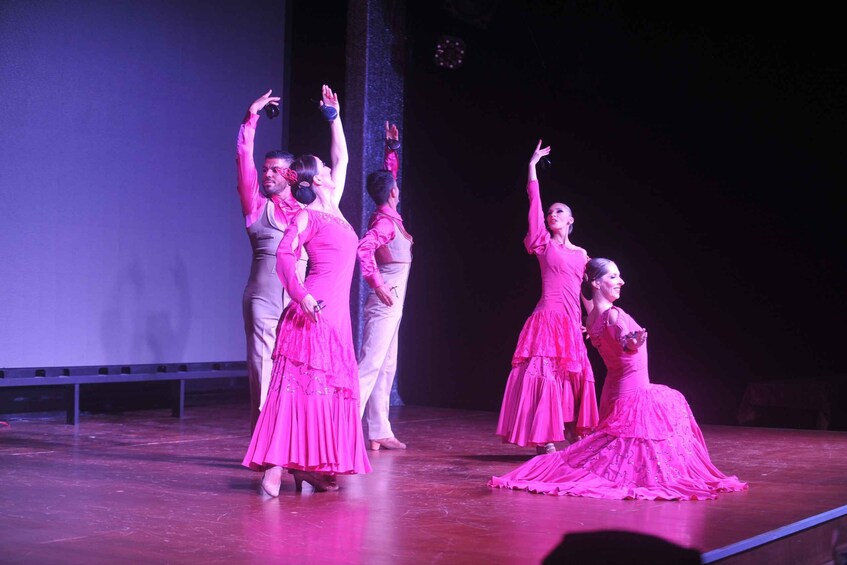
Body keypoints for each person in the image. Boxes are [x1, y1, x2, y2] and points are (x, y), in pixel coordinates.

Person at [489, 258, 748, 500]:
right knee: (674, 404)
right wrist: (631, 342)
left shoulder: (592, 319)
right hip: (634, 395)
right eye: (614, 276)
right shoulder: (613, 315)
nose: (621, 281)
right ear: (596, 283)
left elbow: (595, 310)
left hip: (613, 395)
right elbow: (625, 340)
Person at [243, 85, 372, 496]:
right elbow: (284, 258)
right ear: (318, 180)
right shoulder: (309, 216)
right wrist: (301, 296)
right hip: (312, 310)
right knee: (294, 390)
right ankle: (275, 468)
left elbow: (344, 157)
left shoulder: (337, 213)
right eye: (327, 171)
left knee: (322, 391)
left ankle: (309, 464)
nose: (335, 173)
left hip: (335, 317)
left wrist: (334, 119)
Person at [495, 140, 599, 455]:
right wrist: (531, 167)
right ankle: (545, 438)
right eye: (551, 212)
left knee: (572, 378)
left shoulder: (582, 255)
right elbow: (534, 205)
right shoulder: (544, 244)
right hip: (547, 319)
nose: (553, 214)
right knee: (546, 377)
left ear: (570, 220)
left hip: (571, 323)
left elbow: (588, 294)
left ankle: (571, 432)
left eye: (560, 212)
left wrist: (594, 323)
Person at [236, 89, 308, 432]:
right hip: (264, 298)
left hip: (297, 300)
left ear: (291, 176)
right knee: (263, 366)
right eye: (266, 170)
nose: (267, 175)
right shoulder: (256, 206)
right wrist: (252, 117)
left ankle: (290, 440)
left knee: (296, 367)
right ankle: (264, 440)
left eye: (276, 170)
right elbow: (243, 159)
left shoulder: (306, 212)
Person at [356, 122, 412, 451]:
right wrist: (376, 284)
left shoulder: (390, 214)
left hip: (394, 303)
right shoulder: (383, 221)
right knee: (370, 364)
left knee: (386, 364)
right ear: (393, 192)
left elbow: (385, 181)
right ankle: (343, 427)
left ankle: (378, 429)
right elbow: (363, 249)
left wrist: (391, 152)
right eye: (396, 187)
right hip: (386, 301)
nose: (397, 189)